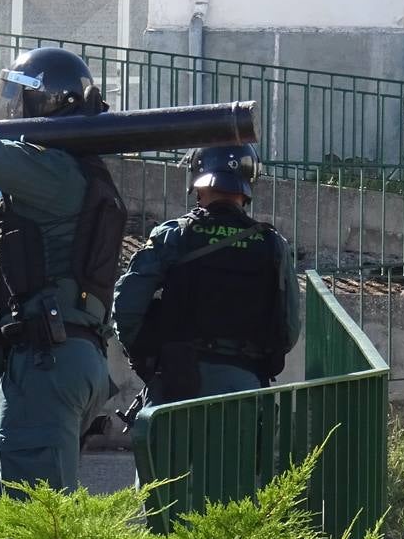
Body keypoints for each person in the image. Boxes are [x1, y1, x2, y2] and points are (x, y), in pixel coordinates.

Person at [0, 47, 127, 499]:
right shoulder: (81, 172)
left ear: (47, 103)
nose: (13, 109)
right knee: (30, 501)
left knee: (30, 517)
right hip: (68, 353)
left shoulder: (54, 172)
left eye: (20, 98)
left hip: (48, 358)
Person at [113, 144, 300, 406]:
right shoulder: (273, 244)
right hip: (246, 385)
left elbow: (126, 306)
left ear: (198, 185)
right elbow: (288, 329)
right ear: (247, 187)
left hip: (178, 384)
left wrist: (148, 357)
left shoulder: (173, 235)